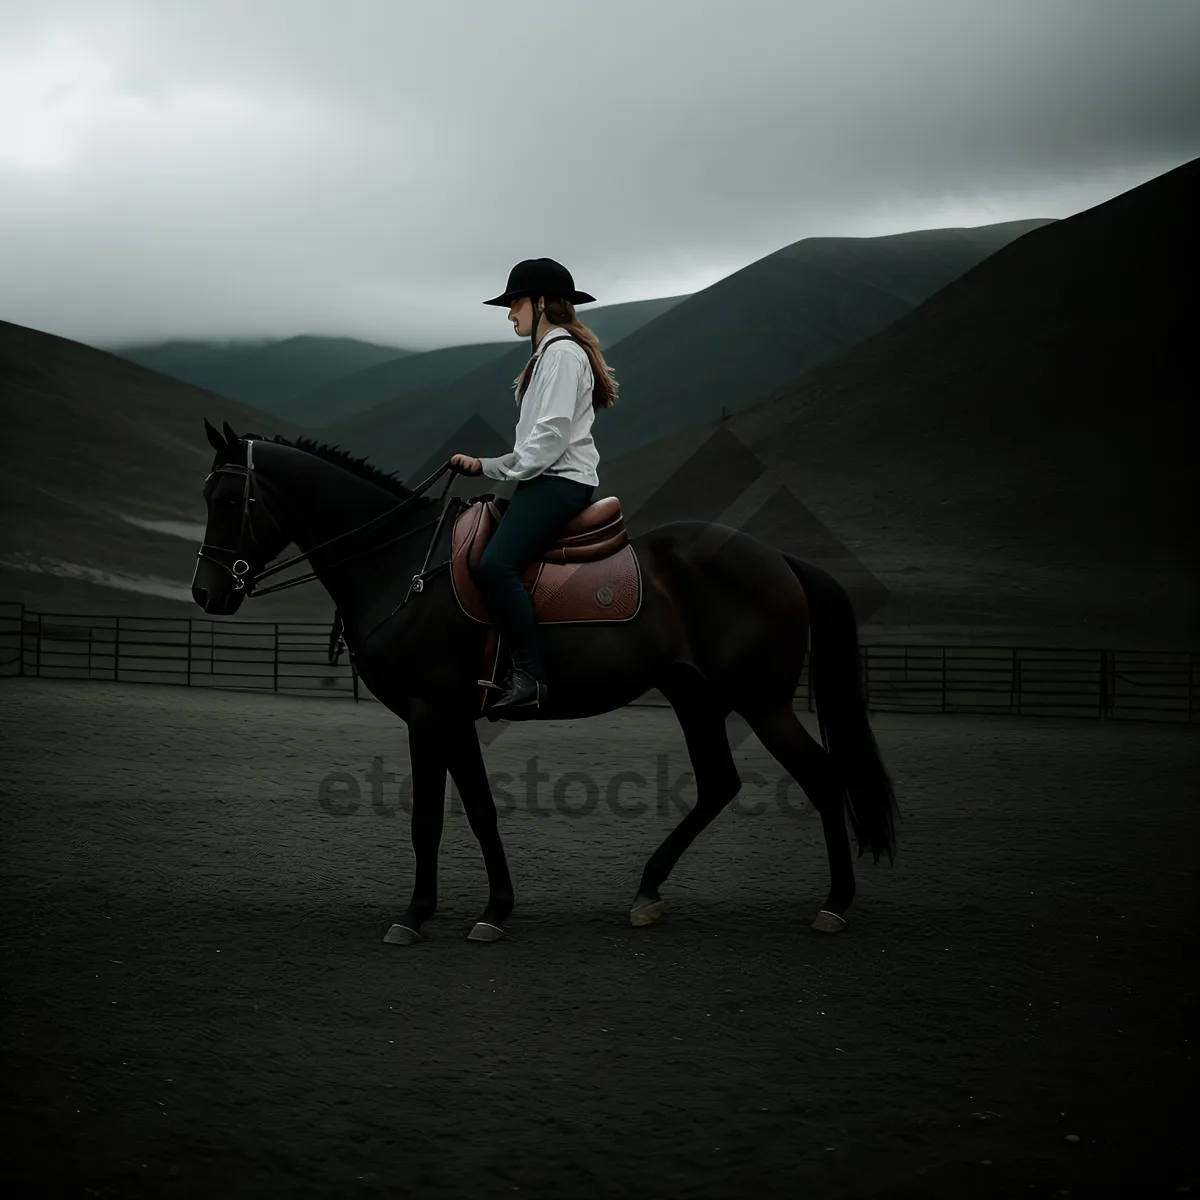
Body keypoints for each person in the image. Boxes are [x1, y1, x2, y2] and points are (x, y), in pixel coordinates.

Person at [450, 258, 619, 715]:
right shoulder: (549, 355)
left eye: (515, 303)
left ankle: (530, 677)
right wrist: (490, 465)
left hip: (558, 482)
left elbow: (549, 437)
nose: (510, 313)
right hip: (547, 478)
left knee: (496, 565)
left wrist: (493, 467)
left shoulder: (562, 356)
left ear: (542, 302)